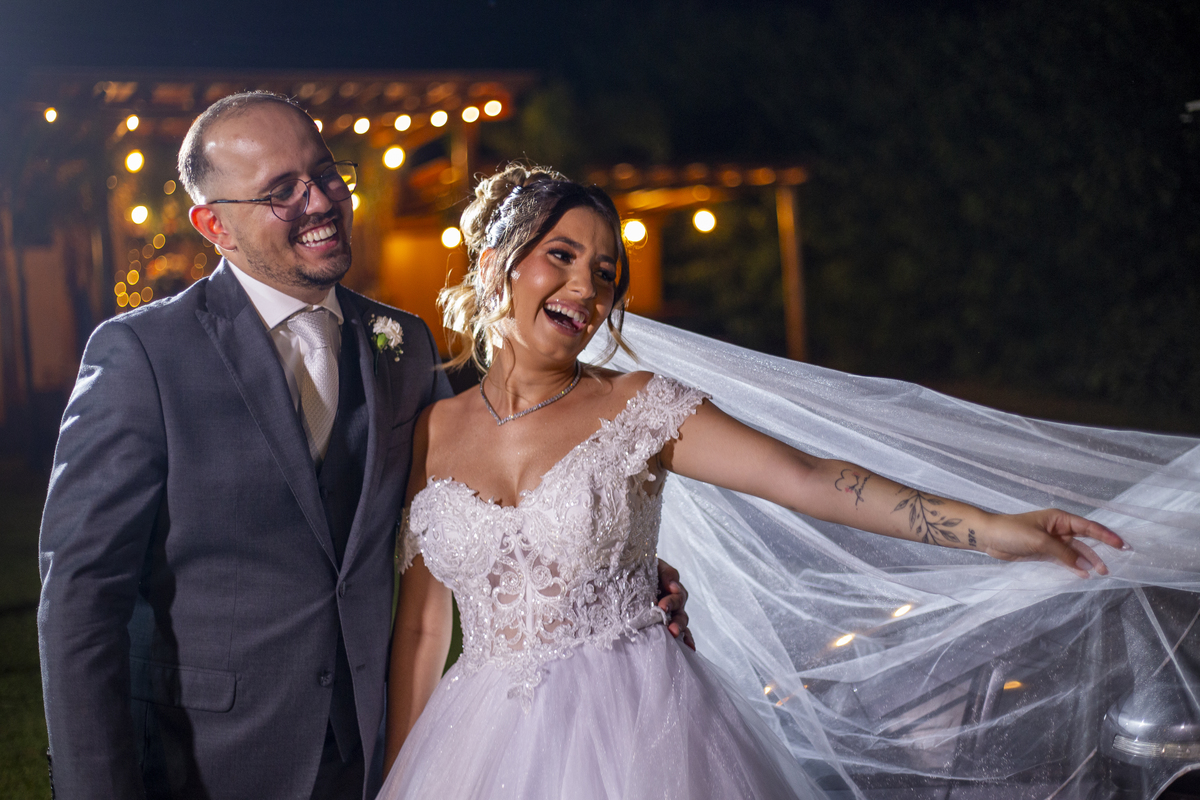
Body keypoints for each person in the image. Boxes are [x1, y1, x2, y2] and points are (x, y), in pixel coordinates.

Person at [377, 164, 1150, 799]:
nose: (586, 286)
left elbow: (809, 478)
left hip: (638, 727)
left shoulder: (638, 407)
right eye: (563, 256)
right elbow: (420, 632)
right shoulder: (434, 431)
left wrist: (995, 530)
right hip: (475, 743)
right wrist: (400, 778)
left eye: (605, 272)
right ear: (496, 264)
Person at [36, 92, 691, 800]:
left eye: (324, 174)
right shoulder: (142, 354)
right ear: (215, 225)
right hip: (207, 761)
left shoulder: (401, 345)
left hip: (367, 755)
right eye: (282, 191)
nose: (320, 201)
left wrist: (607, 567)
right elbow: (80, 599)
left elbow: (478, 490)